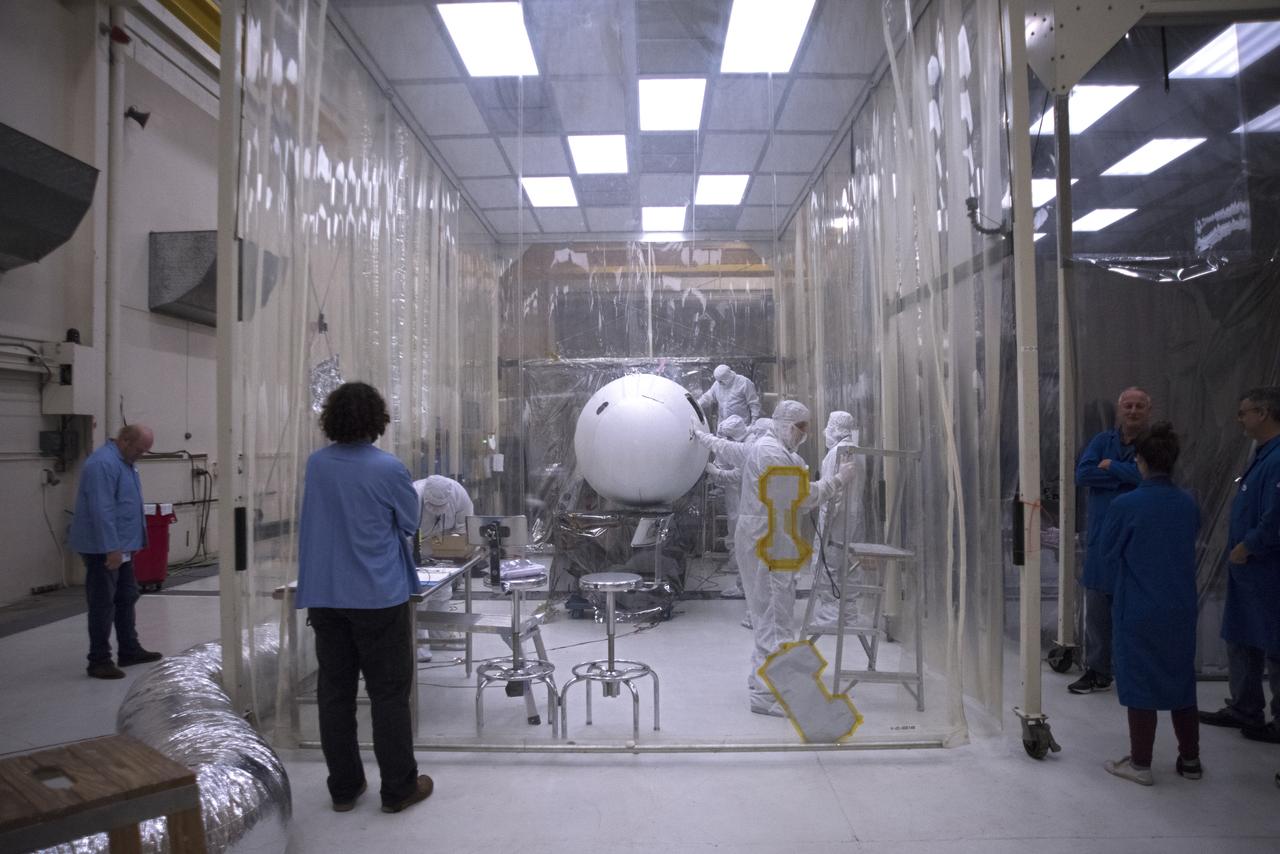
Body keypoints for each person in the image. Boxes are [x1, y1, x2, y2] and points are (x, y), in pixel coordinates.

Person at [296, 381, 433, 814]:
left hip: (326, 595)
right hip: (377, 596)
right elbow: (409, 522)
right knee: (388, 694)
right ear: (377, 421)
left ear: (331, 419)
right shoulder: (388, 469)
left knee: (334, 693)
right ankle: (397, 788)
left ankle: (344, 786)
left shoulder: (317, 465)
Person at [699, 400, 856, 716]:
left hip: (770, 540)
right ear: (786, 424)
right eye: (801, 428)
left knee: (770, 619)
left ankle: (764, 685)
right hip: (767, 544)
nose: (805, 434)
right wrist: (837, 480)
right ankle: (771, 695)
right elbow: (800, 496)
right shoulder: (770, 451)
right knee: (775, 620)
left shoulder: (771, 448)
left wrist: (703, 438)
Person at [1097, 422, 1202, 786]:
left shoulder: (1126, 505)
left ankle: (1140, 764)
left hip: (1140, 608)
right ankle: (1190, 760)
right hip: (1181, 607)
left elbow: (1109, 551)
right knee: (1181, 681)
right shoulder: (1188, 502)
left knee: (1140, 682)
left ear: (1138, 460)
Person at [1200, 387, 1280, 744]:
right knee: (1241, 638)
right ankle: (1245, 707)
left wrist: (1250, 545)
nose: (1240, 419)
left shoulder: (1277, 458)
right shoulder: (1261, 454)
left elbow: (1276, 516)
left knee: (1274, 645)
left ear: (1263, 413)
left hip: (1266, 568)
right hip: (1248, 569)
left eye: (1244, 412)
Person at [1070, 387, 1151, 694]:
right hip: (1103, 540)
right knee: (1099, 610)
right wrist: (1128, 474)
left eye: (1139, 406)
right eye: (1128, 405)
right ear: (1119, 410)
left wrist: (1112, 467)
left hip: (1138, 542)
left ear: (1148, 411)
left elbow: (1152, 476)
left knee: (1135, 611)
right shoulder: (1102, 441)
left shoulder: (1154, 444)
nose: (1133, 411)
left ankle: (1133, 669)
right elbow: (1083, 475)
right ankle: (1098, 670)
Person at [68, 424, 163, 679]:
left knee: (127, 596)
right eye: (140, 450)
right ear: (124, 440)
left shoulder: (125, 462)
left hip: (122, 547)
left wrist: (134, 542)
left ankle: (129, 649)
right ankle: (98, 660)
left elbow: (127, 505)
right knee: (102, 603)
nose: (141, 455)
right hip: (105, 548)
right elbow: (103, 510)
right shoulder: (102, 465)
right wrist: (111, 548)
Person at [810, 411, 866, 627]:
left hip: (838, 516)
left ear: (834, 427)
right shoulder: (857, 450)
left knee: (827, 563)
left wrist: (825, 518)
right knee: (848, 564)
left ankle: (831, 615)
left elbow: (835, 490)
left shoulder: (838, 451)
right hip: (853, 515)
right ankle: (849, 613)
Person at [412, 475, 475, 660]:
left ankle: (440, 637)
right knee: (420, 597)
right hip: (415, 547)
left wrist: (457, 550)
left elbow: (466, 527)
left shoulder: (459, 495)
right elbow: (404, 529)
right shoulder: (414, 494)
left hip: (442, 549)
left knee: (443, 592)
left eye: (441, 506)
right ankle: (419, 646)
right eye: (433, 506)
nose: (437, 510)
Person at [704, 415, 749, 600]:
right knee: (735, 534)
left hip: (745, 500)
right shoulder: (736, 444)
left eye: (726, 437)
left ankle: (744, 585)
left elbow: (737, 475)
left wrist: (717, 473)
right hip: (736, 497)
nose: (723, 441)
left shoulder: (745, 448)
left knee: (742, 539)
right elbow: (723, 461)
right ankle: (740, 579)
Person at [697, 364, 761, 426]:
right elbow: (708, 397)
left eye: (722, 381)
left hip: (740, 426)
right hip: (723, 425)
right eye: (718, 381)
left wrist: (754, 421)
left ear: (728, 376)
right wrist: (697, 404)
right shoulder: (717, 384)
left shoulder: (744, 382)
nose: (720, 383)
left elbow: (753, 402)